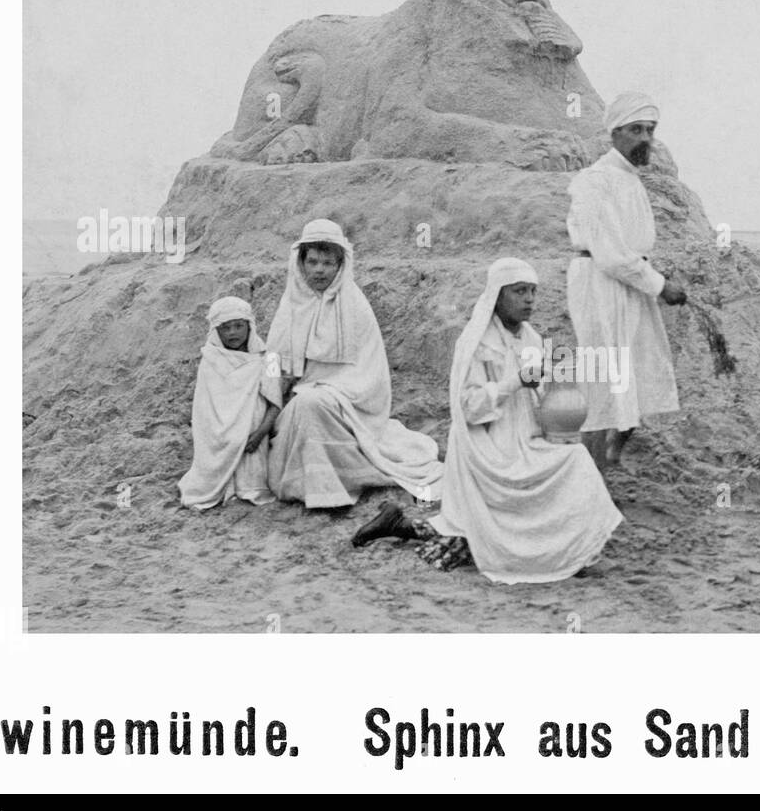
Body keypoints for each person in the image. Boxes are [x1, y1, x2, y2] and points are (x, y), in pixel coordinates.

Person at [351, 258, 623, 584]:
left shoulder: (532, 339)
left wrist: (548, 387)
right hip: (486, 445)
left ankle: (572, 551)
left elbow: (539, 399)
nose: (529, 300)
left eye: (533, 292)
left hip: (527, 437)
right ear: (497, 295)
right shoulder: (476, 343)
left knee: (575, 459)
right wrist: (513, 382)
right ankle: (400, 526)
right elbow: (468, 407)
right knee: (473, 538)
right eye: (519, 291)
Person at [265, 219, 443, 509]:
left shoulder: (355, 306)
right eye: (312, 262)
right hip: (297, 398)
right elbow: (274, 360)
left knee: (311, 404)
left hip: (351, 403)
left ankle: (330, 491)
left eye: (327, 263)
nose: (319, 270)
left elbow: (369, 373)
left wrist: (330, 390)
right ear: (301, 263)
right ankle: (307, 484)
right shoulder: (290, 305)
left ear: (340, 265)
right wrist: (272, 393)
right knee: (299, 409)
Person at [565, 91, 687, 467]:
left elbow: (629, 249)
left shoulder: (631, 179)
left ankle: (614, 456)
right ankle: (590, 470)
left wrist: (651, 280)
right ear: (615, 133)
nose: (645, 138)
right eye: (636, 129)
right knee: (601, 380)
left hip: (629, 286)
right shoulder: (595, 180)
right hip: (600, 285)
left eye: (650, 130)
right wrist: (660, 284)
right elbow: (611, 254)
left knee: (635, 374)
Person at [178, 297, 282, 510]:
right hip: (218, 433)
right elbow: (204, 409)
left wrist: (260, 433)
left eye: (238, 326)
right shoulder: (210, 359)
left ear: (249, 326)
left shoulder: (270, 358)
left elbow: (275, 403)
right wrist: (224, 431)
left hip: (256, 432)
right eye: (225, 328)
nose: (233, 333)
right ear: (216, 331)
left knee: (252, 479)